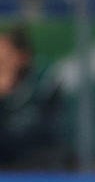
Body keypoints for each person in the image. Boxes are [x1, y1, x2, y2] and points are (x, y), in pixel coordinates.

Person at [0, 24, 67, 169]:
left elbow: (41, 129)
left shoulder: (43, 81)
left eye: (6, 57)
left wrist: (9, 95)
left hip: (38, 161)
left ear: (23, 57)